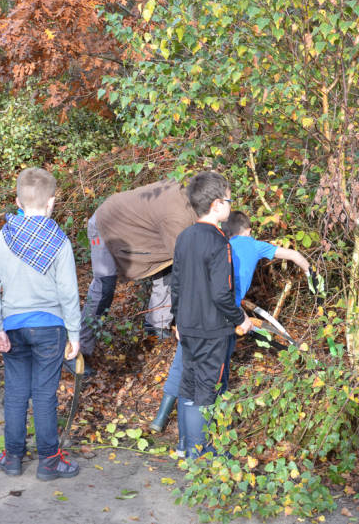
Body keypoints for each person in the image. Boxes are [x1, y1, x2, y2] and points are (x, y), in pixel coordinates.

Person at [150, 210, 310, 433]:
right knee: (217, 373)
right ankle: (212, 428)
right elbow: (293, 255)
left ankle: (161, 419)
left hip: (196, 312)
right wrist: (310, 271)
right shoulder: (253, 245)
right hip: (225, 316)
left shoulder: (218, 244)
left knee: (184, 363)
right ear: (249, 231)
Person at [0, 167, 82, 481]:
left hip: (13, 325)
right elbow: (68, 292)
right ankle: (49, 461)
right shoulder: (59, 241)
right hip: (50, 328)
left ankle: (12, 458)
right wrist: (75, 333)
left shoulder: (4, 237)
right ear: (52, 203)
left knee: (14, 393)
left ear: (17, 201)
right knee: (44, 395)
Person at [171, 172, 253, 458]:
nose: (231, 205)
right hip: (212, 331)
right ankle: (202, 454)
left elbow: (177, 285)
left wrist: (176, 321)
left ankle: (186, 447)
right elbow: (222, 293)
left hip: (189, 328)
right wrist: (240, 318)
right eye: (229, 200)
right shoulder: (220, 242)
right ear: (217, 204)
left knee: (189, 387)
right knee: (208, 392)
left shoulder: (184, 237)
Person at [78, 179, 196, 375]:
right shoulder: (177, 213)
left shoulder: (189, 202)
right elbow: (188, 267)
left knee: (168, 268)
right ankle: (80, 349)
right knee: (104, 287)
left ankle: (156, 329)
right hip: (104, 226)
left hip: (140, 233)